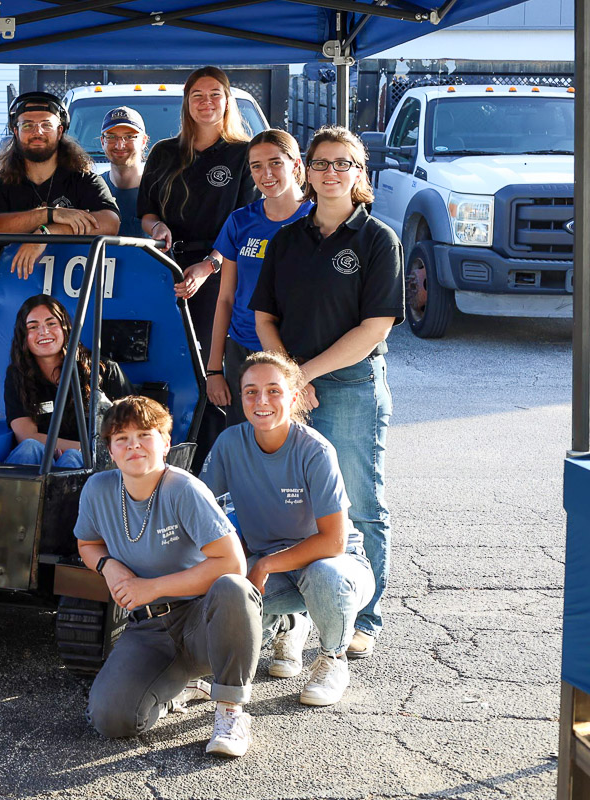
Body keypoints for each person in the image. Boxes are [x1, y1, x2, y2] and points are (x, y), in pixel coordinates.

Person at [250, 125, 405, 661]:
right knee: (288, 509)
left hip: (349, 386)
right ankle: (289, 621)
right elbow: (264, 316)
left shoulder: (379, 240)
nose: (332, 172)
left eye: (345, 163)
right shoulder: (288, 239)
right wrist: (289, 379)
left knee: (358, 505)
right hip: (291, 387)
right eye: (322, 164)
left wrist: (304, 376)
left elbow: (375, 327)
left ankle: (364, 617)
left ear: (360, 174)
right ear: (306, 172)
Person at [76, 396, 261, 757]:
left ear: (165, 443)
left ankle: (230, 711)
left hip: (203, 623)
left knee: (234, 588)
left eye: (145, 434)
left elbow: (232, 563)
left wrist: (150, 587)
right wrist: (108, 566)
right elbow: (87, 543)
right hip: (148, 629)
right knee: (110, 720)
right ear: (110, 451)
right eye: (121, 438)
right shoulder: (97, 490)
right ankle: (181, 686)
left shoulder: (184, 489)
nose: (133, 445)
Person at [201, 352, 374, 705]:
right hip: (276, 571)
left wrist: (264, 565)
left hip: (337, 567)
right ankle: (290, 623)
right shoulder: (229, 444)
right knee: (227, 589)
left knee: (324, 573)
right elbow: (202, 511)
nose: (261, 401)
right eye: (250, 391)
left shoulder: (315, 450)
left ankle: (332, 659)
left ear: (293, 397)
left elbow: (334, 541)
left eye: (273, 391)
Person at [139, 67, 257, 364]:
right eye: (198, 95)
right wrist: (156, 227)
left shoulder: (244, 153)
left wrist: (209, 265)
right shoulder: (163, 152)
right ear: (187, 103)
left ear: (228, 101)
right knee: (166, 356)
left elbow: (247, 221)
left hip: (222, 271)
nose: (207, 102)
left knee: (209, 361)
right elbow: (146, 211)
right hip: (166, 267)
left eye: (215, 94)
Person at [204, 130, 313, 426]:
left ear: (296, 165)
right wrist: (214, 370)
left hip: (297, 352)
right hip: (243, 350)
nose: (266, 174)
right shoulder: (240, 221)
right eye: (256, 166)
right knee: (246, 444)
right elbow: (226, 297)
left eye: (275, 163)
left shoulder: (317, 219)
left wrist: (304, 372)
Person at [0, 91, 119, 279]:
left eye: (46, 125)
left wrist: (47, 233)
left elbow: (110, 222)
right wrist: (48, 214)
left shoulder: (83, 180)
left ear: (60, 131)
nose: (37, 132)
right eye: (27, 125)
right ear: (16, 132)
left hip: (72, 296)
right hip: (11, 294)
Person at [3, 295, 131, 468]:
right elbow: (27, 436)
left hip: (95, 462)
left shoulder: (103, 369)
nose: (44, 332)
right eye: (33, 327)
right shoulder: (17, 375)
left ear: (65, 328)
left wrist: (87, 451)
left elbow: (132, 429)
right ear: (23, 336)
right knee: (29, 448)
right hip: (42, 462)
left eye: (51, 323)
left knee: (71, 458)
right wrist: (77, 448)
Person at [99, 106, 149, 238]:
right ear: (102, 141)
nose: (120, 145)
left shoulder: (159, 190)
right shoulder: (91, 188)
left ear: (143, 141)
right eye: (111, 137)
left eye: (129, 137)